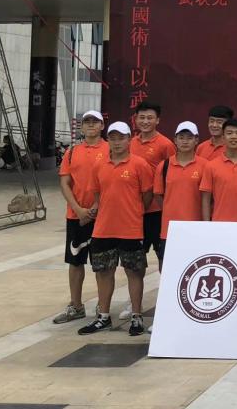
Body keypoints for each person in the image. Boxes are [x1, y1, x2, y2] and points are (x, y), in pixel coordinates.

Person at [78, 122, 152, 337]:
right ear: (108, 140)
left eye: (121, 138)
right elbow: (97, 194)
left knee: (134, 273)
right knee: (103, 272)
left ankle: (136, 316)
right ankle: (103, 316)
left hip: (131, 228)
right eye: (113, 138)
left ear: (129, 139)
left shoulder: (140, 164)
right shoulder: (99, 165)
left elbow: (147, 196)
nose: (117, 142)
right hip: (103, 228)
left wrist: (133, 211)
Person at [121, 101, 175, 322]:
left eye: (150, 117)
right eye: (141, 117)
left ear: (158, 120)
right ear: (135, 119)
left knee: (163, 259)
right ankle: (134, 303)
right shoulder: (129, 143)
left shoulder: (166, 145)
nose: (145, 121)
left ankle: (166, 303)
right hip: (135, 213)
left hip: (158, 211)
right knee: (135, 260)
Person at [54, 110, 108, 325]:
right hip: (75, 215)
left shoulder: (109, 150)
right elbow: (65, 183)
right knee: (75, 262)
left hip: (102, 216)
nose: (91, 125)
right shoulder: (72, 152)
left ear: (102, 125)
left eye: (95, 122)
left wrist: (95, 208)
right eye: (87, 122)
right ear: (82, 126)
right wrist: (78, 210)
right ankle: (76, 306)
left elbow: (110, 183)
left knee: (102, 264)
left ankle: (103, 306)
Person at [153, 121, 206, 269]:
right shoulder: (164, 166)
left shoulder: (205, 166)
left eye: (189, 137)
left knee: (195, 269)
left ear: (196, 140)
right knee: (166, 268)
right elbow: (158, 195)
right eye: (181, 137)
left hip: (195, 227)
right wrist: (170, 209)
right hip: (169, 229)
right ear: (175, 140)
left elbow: (208, 198)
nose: (185, 141)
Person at [200, 118, 237, 223]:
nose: (233, 136)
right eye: (229, 133)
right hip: (219, 222)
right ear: (223, 137)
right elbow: (206, 199)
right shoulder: (211, 165)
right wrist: (207, 225)